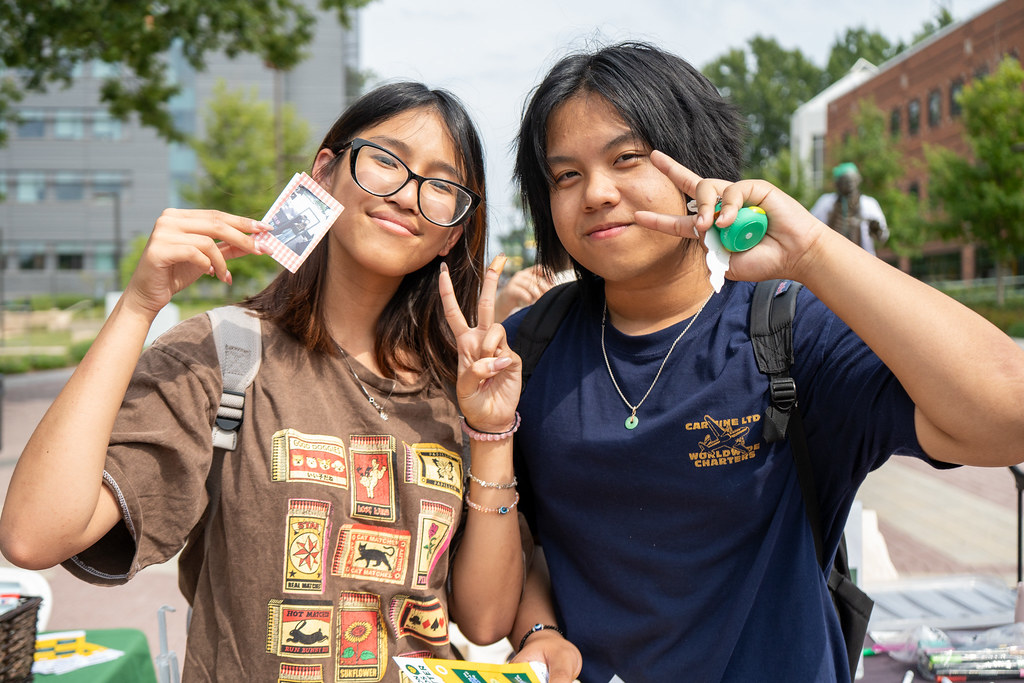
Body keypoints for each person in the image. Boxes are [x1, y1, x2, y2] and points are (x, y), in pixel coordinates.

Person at [499, 42, 1024, 682]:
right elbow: (519, 533)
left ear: (695, 163)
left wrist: (811, 253)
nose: (597, 193)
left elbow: (1010, 412)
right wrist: (540, 626)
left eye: (626, 158)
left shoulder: (789, 331)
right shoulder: (527, 348)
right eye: (566, 175)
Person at [0, 82, 526, 681]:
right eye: (386, 160)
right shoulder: (222, 354)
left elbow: (485, 622)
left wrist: (490, 431)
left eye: (440, 186)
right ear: (324, 173)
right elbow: (33, 536)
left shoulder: (459, 389)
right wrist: (139, 306)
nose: (409, 196)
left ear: (454, 230)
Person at [810, 162, 889, 255]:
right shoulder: (826, 202)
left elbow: (883, 236)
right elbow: (811, 227)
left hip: (862, 259)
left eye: (852, 181)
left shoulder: (869, 204)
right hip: (831, 257)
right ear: (837, 183)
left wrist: (876, 230)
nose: (849, 185)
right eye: (844, 181)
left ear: (858, 180)